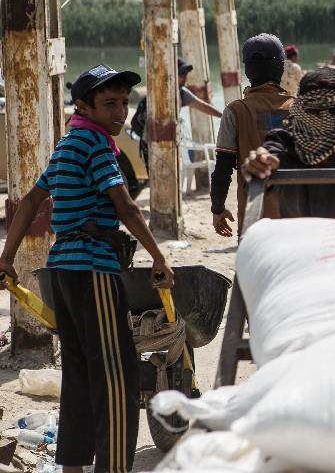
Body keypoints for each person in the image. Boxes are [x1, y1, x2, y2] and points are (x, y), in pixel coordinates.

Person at [0, 65, 175, 473]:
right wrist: (159, 257)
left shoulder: (68, 144)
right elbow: (125, 206)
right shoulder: (95, 145)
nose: (120, 113)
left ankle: (73, 468)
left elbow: (28, 203)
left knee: (79, 375)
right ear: (83, 106)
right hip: (93, 269)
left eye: (124, 104)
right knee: (117, 378)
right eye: (109, 104)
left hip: (61, 273)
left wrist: (7, 257)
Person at [241, 67, 335, 223]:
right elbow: (260, 172)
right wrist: (259, 165)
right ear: (299, 109)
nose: (324, 118)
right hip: (300, 243)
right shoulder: (283, 143)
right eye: (314, 110)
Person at [210, 33, 294, 237]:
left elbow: (223, 167)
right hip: (294, 215)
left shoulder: (235, 111)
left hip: (253, 214)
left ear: (248, 70)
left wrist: (218, 209)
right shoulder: (299, 108)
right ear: (281, 68)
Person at [132, 58, 222, 167]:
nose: (184, 77)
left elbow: (204, 107)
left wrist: (225, 116)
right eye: (181, 73)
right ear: (171, 74)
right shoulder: (159, 93)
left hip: (169, 143)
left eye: (185, 73)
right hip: (151, 143)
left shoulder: (182, 92)